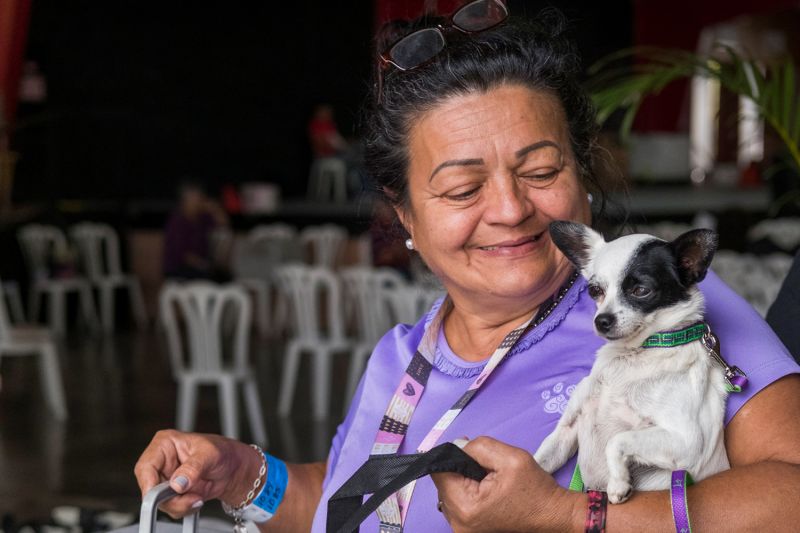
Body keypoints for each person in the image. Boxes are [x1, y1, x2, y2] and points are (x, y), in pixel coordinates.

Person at [135, 3, 800, 532]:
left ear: (582, 175)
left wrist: (567, 515)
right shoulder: (401, 358)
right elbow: (353, 507)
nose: (511, 208)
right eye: (462, 189)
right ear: (406, 217)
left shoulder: (665, 315)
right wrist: (244, 472)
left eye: (541, 170)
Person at [162, 181, 229, 280]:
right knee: (211, 276)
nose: (198, 202)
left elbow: (224, 225)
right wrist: (204, 265)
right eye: (195, 199)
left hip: (200, 267)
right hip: (178, 269)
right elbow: (183, 255)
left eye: (200, 198)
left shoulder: (203, 218)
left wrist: (214, 208)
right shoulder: (177, 221)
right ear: (185, 201)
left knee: (225, 276)